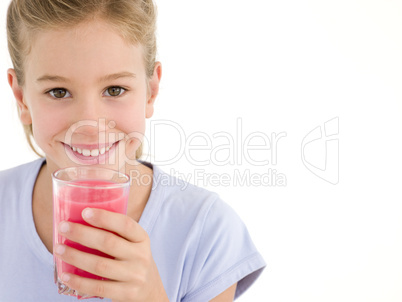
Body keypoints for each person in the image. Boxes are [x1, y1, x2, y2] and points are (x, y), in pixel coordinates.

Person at [0, 0, 266, 301]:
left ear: (151, 91)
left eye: (115, 90)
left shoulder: (206, 229)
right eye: (58, 92)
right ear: (22, 99)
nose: (89, 124)